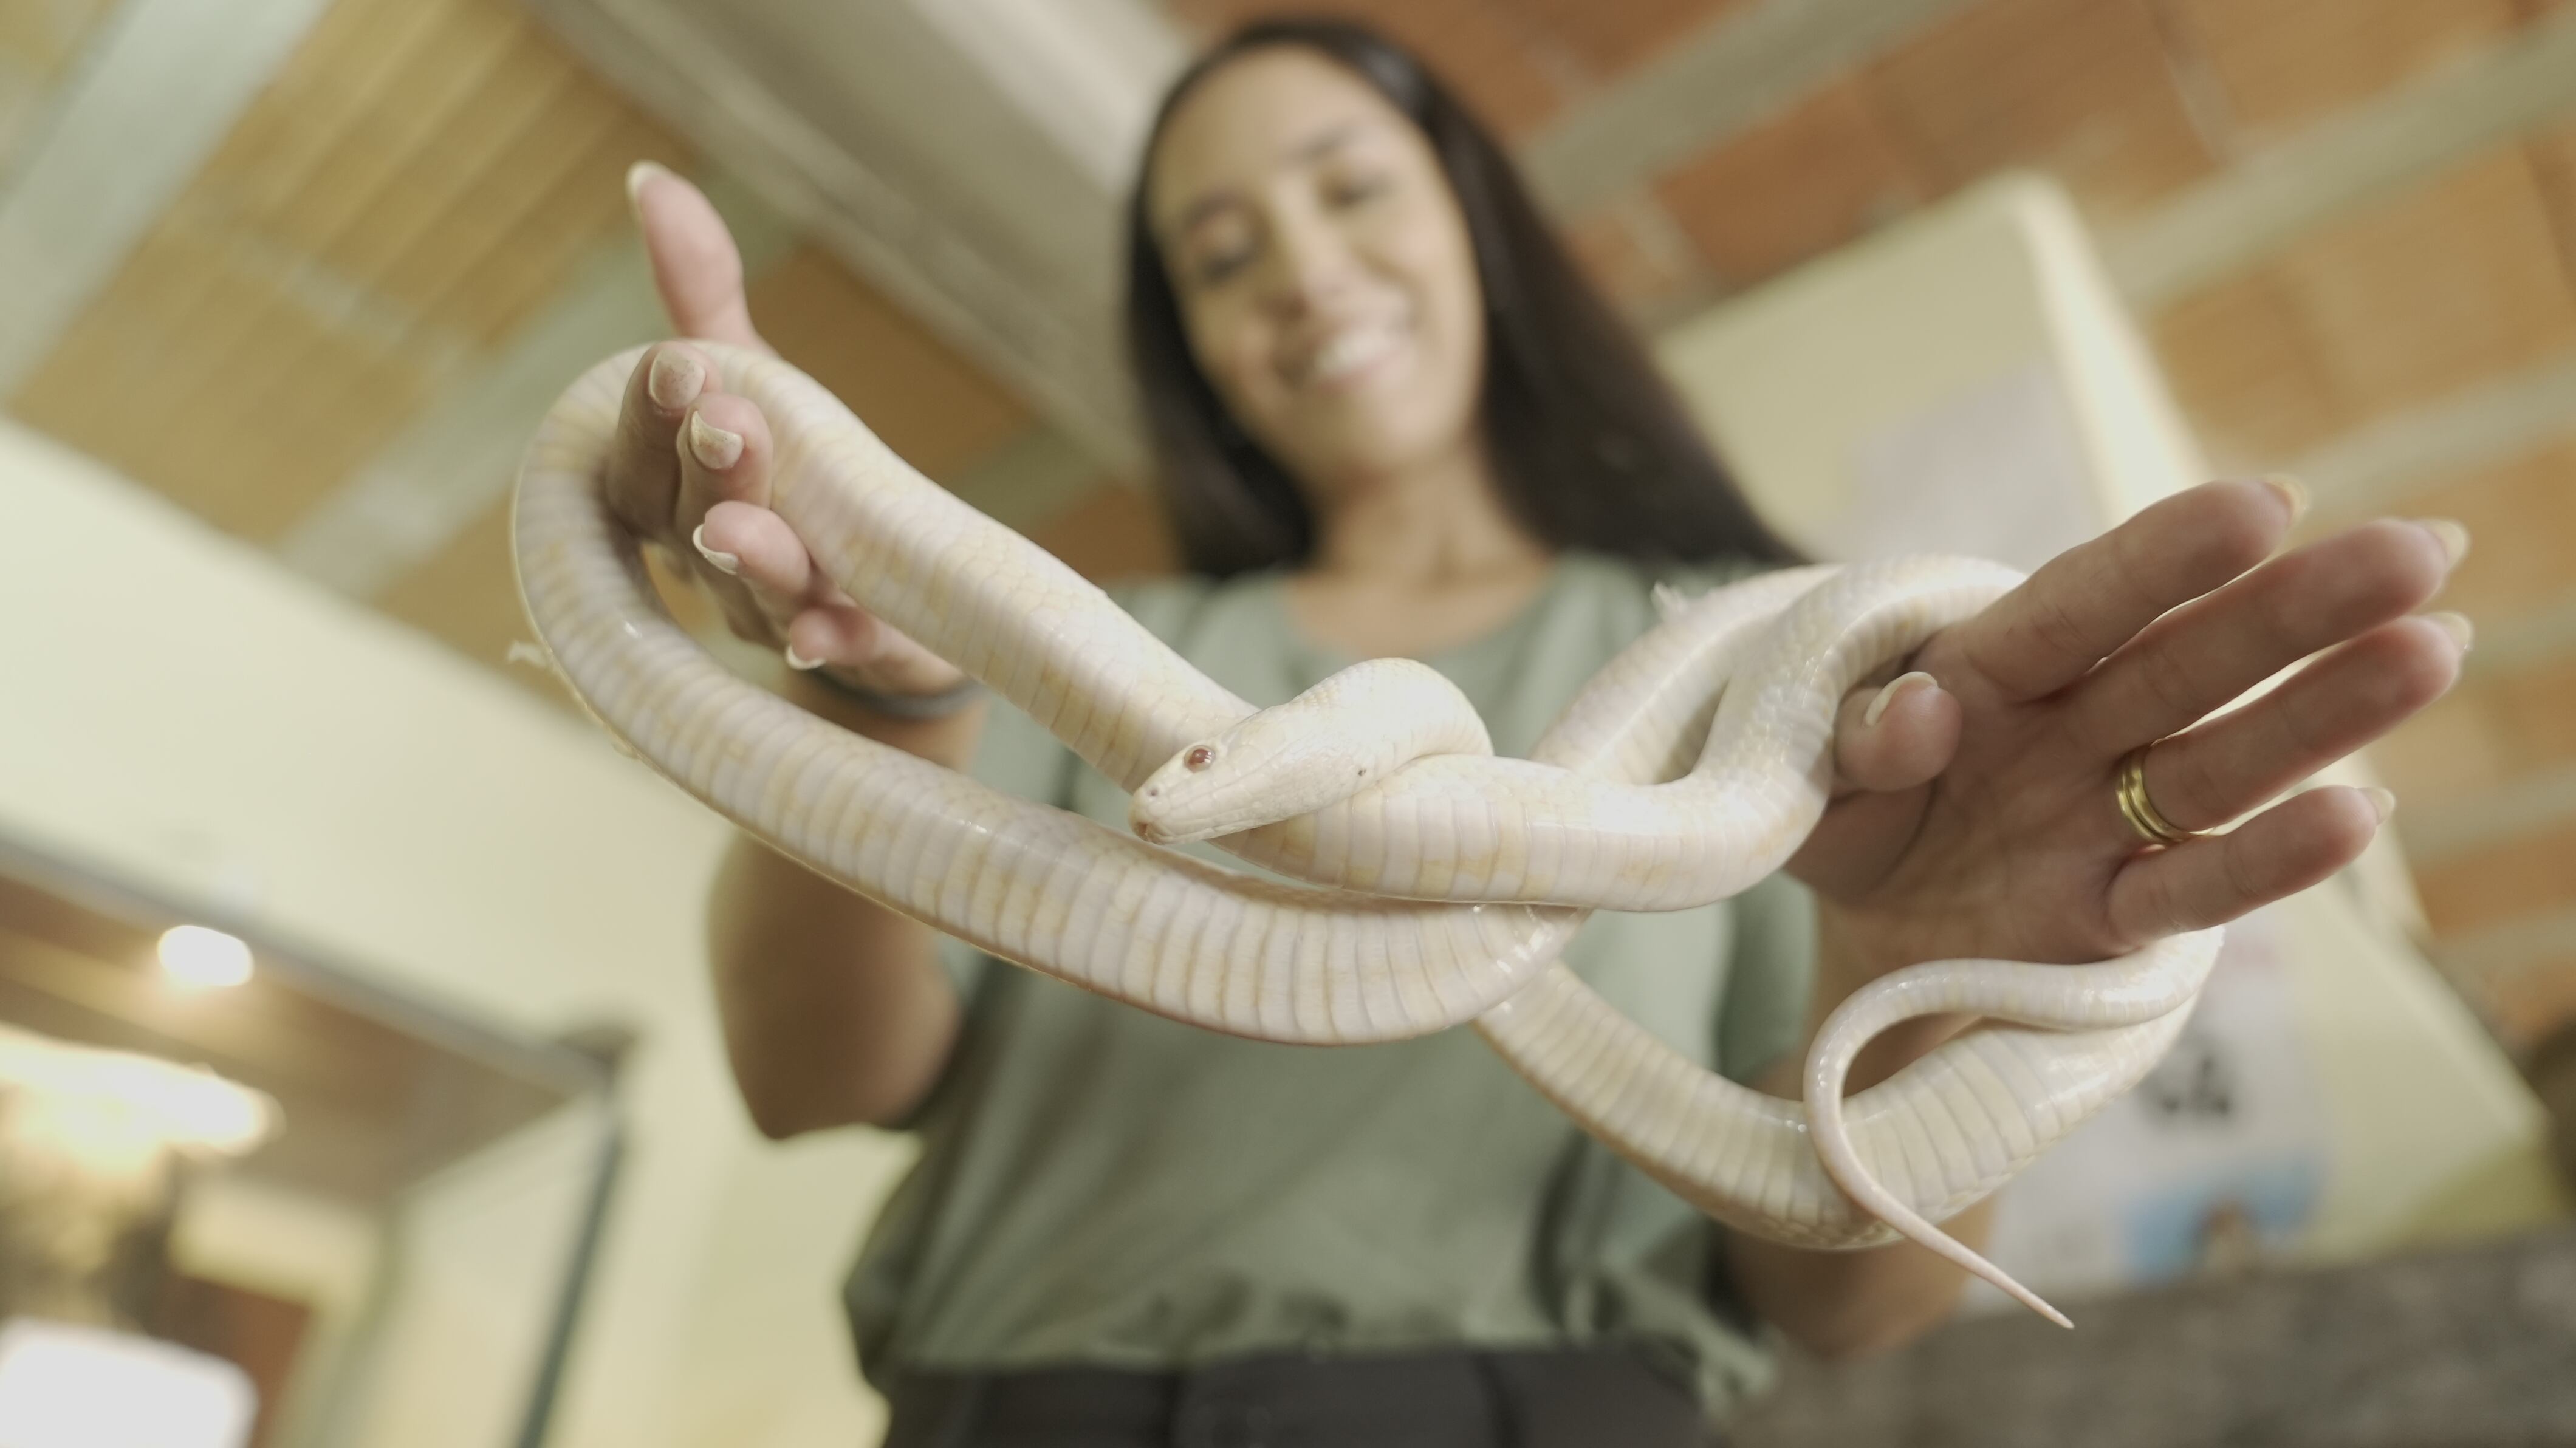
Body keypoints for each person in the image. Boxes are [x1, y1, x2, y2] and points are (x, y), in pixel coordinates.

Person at [603, 19, 2467, 1446]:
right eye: (1223, 254)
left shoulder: (1774, 663)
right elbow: (808, 1084)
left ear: (1472, 231)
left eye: (1349, 191)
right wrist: (871, 676)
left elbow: (1854, 1309)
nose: (1303, 273)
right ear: (1196, 345)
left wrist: (1930, 990)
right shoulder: (1085, 646)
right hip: (1016, 1402)